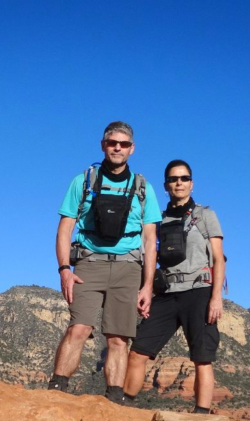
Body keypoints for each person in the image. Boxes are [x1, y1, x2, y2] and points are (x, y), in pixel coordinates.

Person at [47, 121, 161, 401]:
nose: (117, 148)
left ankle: (114, 399)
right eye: (112, 143)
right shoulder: (83, 181)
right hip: (89, 264)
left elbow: (150, 240)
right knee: (79, 328)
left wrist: (148, 286)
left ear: (132, 149)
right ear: (103, 145)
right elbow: (65, 228)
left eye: (123, 144)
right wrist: (64, 269)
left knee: (118, 338)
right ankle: (57, 391)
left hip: (128, 268)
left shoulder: (143, 188)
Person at [122, 159, 225, 413]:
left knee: (202, 358)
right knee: (138, 351)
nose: (179, 183)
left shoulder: (206, 215)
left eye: (184, 178)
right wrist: (146, 289)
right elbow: (150, 255)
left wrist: (216, 298)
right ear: (166, 185)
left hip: (199, 292)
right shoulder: (158, 219)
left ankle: (201, 415)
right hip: (167, 293)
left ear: (191, 183)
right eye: (173, 179)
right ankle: (122, 407)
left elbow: (219, 258)